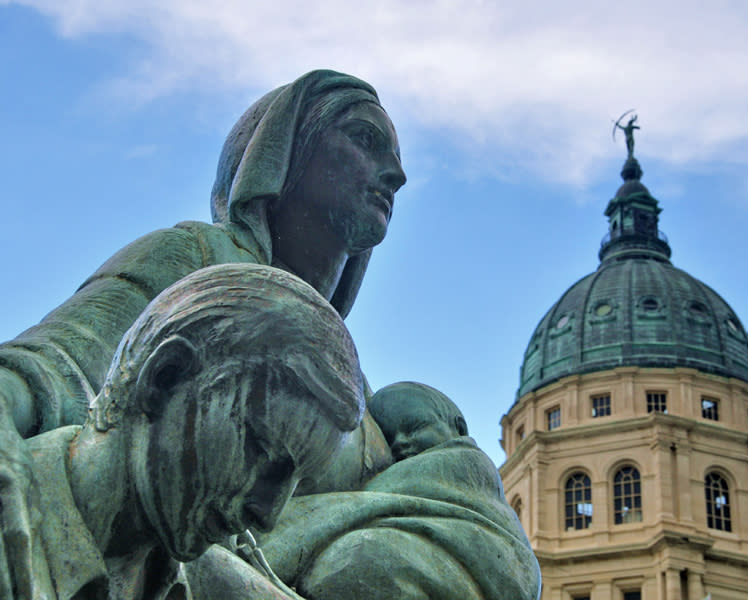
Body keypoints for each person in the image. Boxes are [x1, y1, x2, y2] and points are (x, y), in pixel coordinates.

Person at [0, 70, 405, 597]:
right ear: (284, 153)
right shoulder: (196, 260)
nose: (395, 175)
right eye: (365, 140)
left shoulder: (356, 392)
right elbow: (56, 359)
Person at [23, 263, 365, 599]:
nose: (267, 516)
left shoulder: (216, 584)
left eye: (296, 484)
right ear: (164, 377)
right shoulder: (14, 534)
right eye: (262, 450)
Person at [256, 382, 541, 600]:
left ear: (459, 428)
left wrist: (281, 528)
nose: (400, 444)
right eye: (391, 438)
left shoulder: (462, 463)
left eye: (414, 428)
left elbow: (363, 502)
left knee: (355, 558)